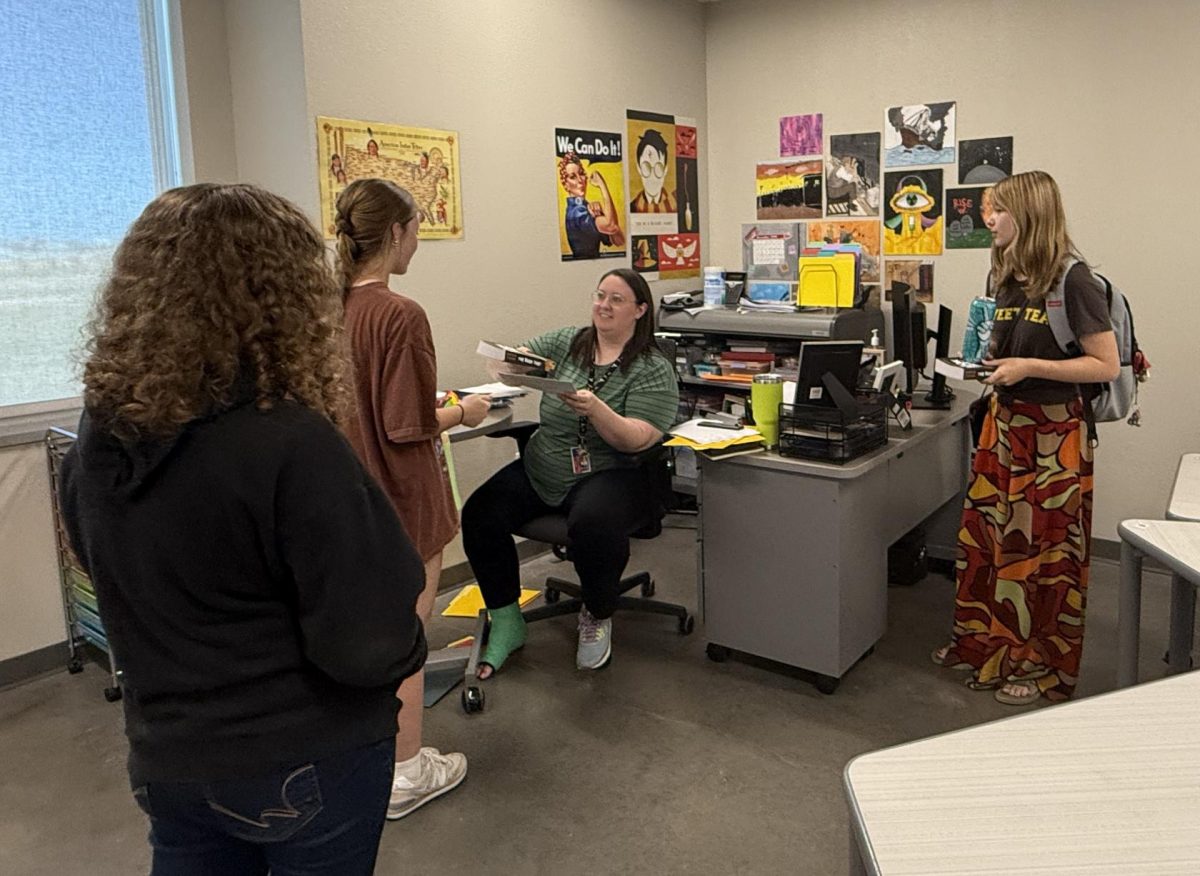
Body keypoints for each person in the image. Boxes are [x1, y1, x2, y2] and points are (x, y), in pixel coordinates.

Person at [59, 183, 427, 874]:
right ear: (282, 299)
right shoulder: (291, 443)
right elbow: (368, 642)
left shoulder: (101, 439)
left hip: (168, 759)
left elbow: (107, 574)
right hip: (300, 760)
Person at [931, 170, 1119, 706]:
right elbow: (1005, 351)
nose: (988, 219)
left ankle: (1039, 664)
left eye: (999, 210)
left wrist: (1029, 366)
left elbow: (1104, 365)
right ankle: (982, 644)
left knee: (1046, 556)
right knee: (986, 542)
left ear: (1029, 214)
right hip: (1004, 428)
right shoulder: (1007, 276)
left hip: (1052, 439)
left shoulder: (1074, 280)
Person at [334, 178, 490, 819]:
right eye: (417, 229)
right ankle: (406, 773)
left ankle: (365, 756)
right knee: (406, 640)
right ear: (395, 233)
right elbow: (404, 426)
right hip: (403, 501)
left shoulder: (328, 309)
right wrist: (466, 410)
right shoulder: (400, 315)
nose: (418, 242)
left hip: (345, 497)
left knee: (362, 637)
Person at [461, 268, 680, 677]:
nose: (604, 305)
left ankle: (597, 614)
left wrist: (597, 409)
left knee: (594, 524)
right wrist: (510, 365)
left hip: (613, 470)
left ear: (640, 309)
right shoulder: (566, 342)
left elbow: (637, 439)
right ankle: (507, 619)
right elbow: (512, 363)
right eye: (600, 295)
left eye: (617, 299)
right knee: (479, 513)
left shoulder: (651, 367)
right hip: (547, 462)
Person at [559, 150, 625, 258]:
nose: (580, 180)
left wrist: (601, 214)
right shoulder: (576, 212)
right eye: (573, 177)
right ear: (565, 185)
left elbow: (619, 241)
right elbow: (611, 226)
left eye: (581, 174)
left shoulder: (586, 208)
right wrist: (602, 186)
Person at [629, 129, 677, 214]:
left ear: (665, 170)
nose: (652, 176)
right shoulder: (633, 207)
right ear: (639, 169)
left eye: (658, 168)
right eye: (646, 168)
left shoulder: (675, 203)